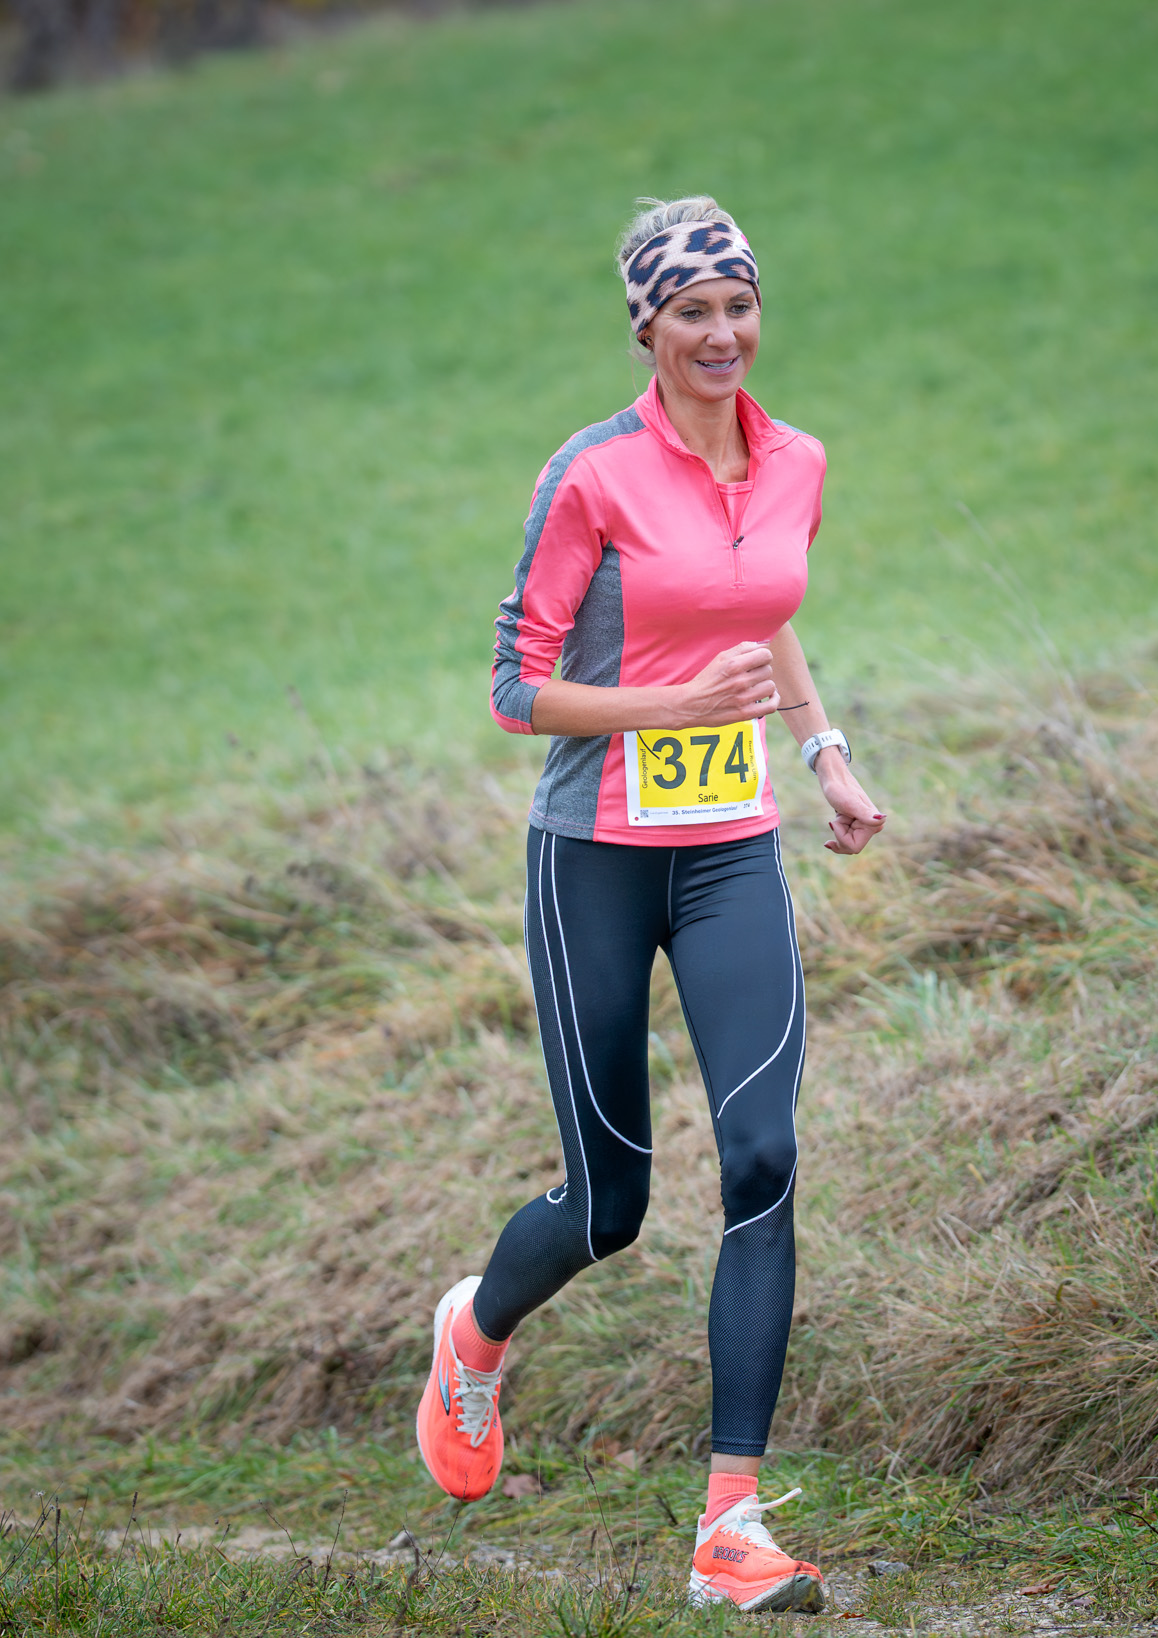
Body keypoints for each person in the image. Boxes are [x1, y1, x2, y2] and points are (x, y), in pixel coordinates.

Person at [414, 195, 886, 1614]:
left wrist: (825, 750)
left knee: (763, 1155)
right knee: (611, 1199)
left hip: (733, 849)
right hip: (596, 859)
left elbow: (761, 606)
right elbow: (515, 688)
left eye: (740, 305)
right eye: (693, 311)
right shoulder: (593, 474)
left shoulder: (796, 460)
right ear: (647, 327)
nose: (722, 332)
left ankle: (730, 1524)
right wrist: (669, 706)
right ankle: (477, 1330)